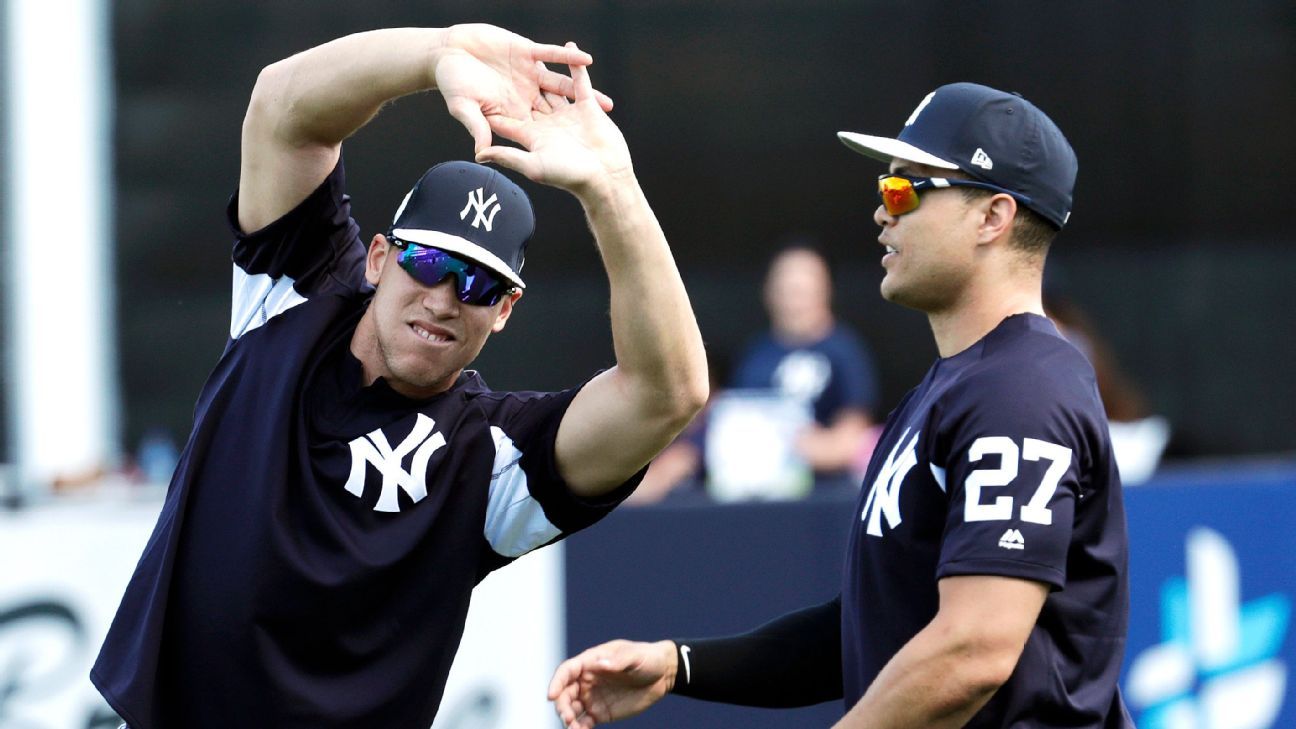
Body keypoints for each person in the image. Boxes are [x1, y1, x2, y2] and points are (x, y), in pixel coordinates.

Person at [91, 23, 708, 729]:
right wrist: (440, 53)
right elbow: (281, 108)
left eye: (477, 284)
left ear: (505, 310)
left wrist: (612, 189)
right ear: (380, 257)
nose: (443, 298)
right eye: (428, 263)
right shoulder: (296, 297)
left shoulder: (493, 456)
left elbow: (669, 393)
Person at [548, 83, 1132, 728]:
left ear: (992, 217)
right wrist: (680, 665)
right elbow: (867, 631)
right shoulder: (956, 388)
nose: (883, 212)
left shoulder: (1020, 390)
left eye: (905, 190)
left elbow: (974, 650)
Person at [630, 244, 879, 503]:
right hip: (753, 491)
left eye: (802, 290)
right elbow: (729, 419)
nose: (794, 300)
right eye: (786, 289)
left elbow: (853, 433)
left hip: (819, 497)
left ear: (824, 291)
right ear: (769, 293)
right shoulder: (756, 354)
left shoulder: (844, 351)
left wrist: (809, 445)